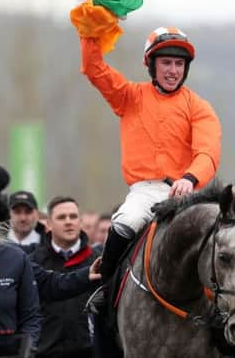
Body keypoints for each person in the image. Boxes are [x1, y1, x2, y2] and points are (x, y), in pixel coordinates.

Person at [79, 26, 222, 281]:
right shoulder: (129, 96)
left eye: (179, 63)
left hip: (186, 193)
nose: (173, 70)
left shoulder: (199, 107)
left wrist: (189, 179)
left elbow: (208, 152)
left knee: (222, 238)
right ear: (151, 65)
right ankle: (105, 290)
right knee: (125, 223)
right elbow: (94, 68)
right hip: (145, 191)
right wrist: (90, 29)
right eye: (166, 62)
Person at [30, 196, 100, 358]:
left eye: (73, 216)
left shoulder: (98, 262)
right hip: (44, 352)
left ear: (80, 222)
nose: (69, 222)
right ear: (48, 224)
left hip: (89, 352)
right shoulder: (33, 262)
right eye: (61, 217)